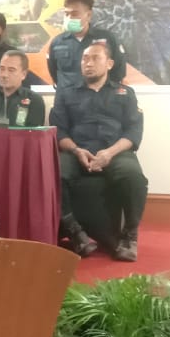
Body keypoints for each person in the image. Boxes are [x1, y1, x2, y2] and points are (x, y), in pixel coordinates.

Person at [49, 42, 147, 262]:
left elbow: (133, 132)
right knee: (54, 173)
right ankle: (75, 232)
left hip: (115, 152)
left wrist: (109, 153)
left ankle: (129, 235)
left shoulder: (125, 93)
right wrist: (76, 150)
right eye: (85, 58)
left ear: (109, 63)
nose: (88, 63)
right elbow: (59, 130)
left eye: (95, 58)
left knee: (134, 178)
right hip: (76, 150)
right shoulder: (66, 93)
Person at [47, 0, 127, 90]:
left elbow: (118, 71)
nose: (69, 18)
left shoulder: (108, 39)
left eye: (74, 14)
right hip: (67, 97)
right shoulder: (57, 42)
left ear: (88, 15)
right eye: (67, 14)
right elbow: (54, 73)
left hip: (99, 96)